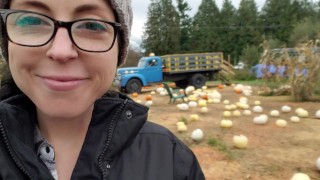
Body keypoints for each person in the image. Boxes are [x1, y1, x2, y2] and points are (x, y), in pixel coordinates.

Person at [0, 0, 205, 179]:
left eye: (92, 25)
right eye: (32, 21)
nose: (60, 51)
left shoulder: (171, 161)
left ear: (119, 50)